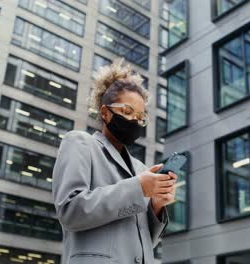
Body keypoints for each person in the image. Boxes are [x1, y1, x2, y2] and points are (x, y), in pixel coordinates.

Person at [52, 58, 177, 264]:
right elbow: (70, 210)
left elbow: (144, 243)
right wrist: (138, 188)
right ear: (105, 113)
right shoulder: (80, 143)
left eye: (140, 117)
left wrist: (156, 205)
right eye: (127, 112)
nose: (134, 121)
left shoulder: (140, 168)